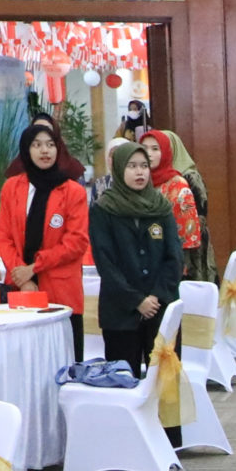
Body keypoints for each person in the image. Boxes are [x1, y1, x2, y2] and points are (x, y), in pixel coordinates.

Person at [90, 142, 184, 386]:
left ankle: (165, 418)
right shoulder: (103, 209)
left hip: (160, 308)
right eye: (131, 166)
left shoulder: (161, 207)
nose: (139, 172)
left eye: (144, 166)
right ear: (118, 169)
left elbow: (174, 257)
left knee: (165, 386)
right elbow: (105, 263)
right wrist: (137, 301)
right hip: (120, 312)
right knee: (123, 385)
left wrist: (155, 296)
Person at [0, 122, 92, 359]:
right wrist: (22, 276)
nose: (44, 150)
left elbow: (76, 242)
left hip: (61, 291)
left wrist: (34, 268)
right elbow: (4, 237)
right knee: (26, 362)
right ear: (26, 150)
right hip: (20, 290)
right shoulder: (11, 188)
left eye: (50, 144)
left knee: (66, 362)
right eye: (37, 145)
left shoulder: (73, 191)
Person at [137, 130, 203, 278]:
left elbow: (188, 232)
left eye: (155, 149)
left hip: (169, 262)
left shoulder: (177, 185)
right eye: (144, 148)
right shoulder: (137, 182)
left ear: (166, 152)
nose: (149, 154)